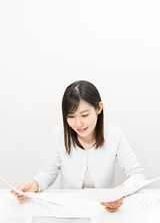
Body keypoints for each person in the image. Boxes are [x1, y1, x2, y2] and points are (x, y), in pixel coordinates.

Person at [11, 80, 146, 213]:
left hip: (104, 211)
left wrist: (119, 193)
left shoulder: (115, 135)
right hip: (68, 210)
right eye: (71, 116)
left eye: (84, 115)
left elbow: (138, 174)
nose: (78, 123)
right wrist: (34, 184)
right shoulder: (59, 135)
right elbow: (49, 172)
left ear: (99, 108)